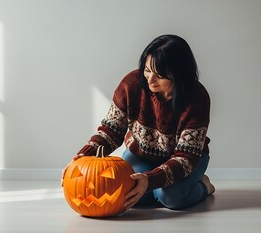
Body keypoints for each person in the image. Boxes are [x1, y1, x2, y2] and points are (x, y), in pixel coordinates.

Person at [63, 34, 215, 210]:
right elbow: (110, 131)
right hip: (141, 155)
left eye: (160, 75)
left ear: (179, 74)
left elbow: (186, 157)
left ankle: (204, 186)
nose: (150, 80)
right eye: (147, 70)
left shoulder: (197, 98)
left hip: (186, 160)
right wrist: (82, 158)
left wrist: (149, 180)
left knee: (170, 197)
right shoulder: (131, 85)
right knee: (127, 193)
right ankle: (155, 191)